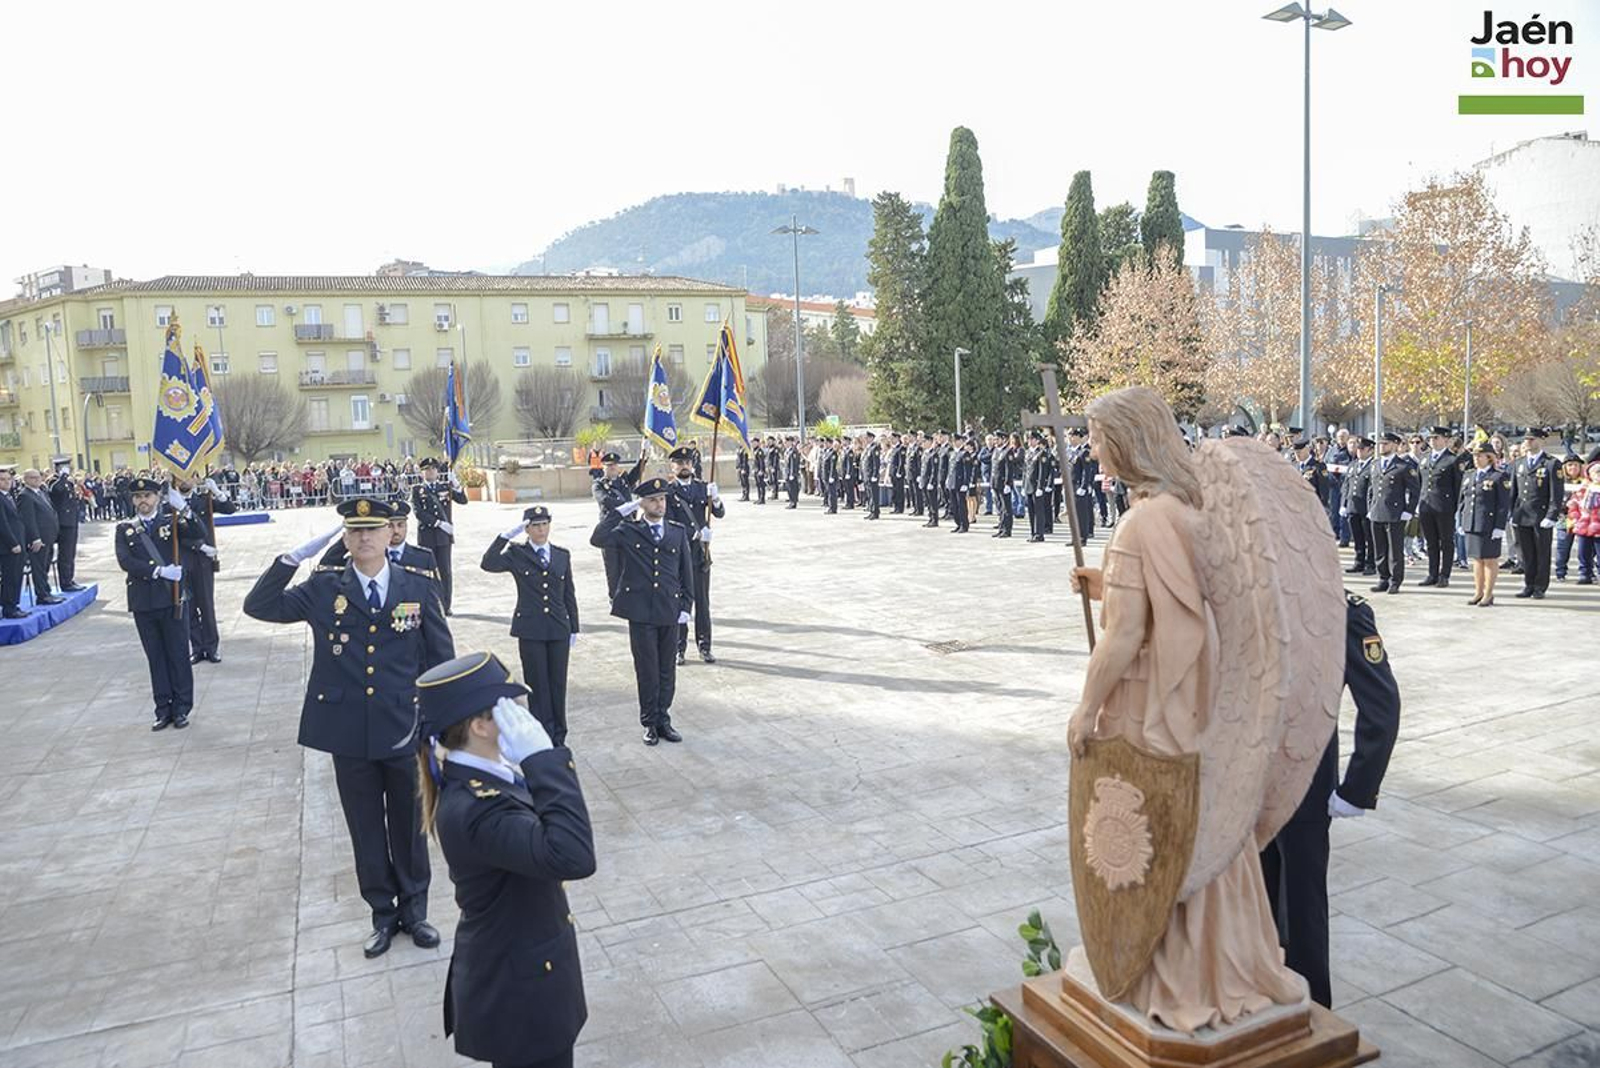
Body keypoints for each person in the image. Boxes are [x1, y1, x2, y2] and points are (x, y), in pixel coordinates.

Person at [1066, 387, 1306, 1030]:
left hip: (1146, 702)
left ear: (1127, 442)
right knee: (1205, 830)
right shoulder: (1180, 510)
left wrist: (1086, 707)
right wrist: (1106, 585)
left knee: (1161, 831)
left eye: (1096, 438)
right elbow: (1180, 602)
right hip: (1187, 701)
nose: (1091, 450)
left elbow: (1124, 636)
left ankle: (1167, 973)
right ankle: (1233, 958)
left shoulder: (1141, 522)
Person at [243, 496, 455, 957]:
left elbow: (440, 659)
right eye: (355, 531)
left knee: (410, 824)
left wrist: (442, 724)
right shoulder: (323, 590)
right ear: (345, 538)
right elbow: (258, 606)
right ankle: (382, 914)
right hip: (348, 732)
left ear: (389, 535)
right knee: (365, 828)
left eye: (373, 530)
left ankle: (415, 911)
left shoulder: (417, 587)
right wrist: (290, 560)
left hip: (403, 727)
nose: (364, 538)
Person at [416, 652, 596, 1068]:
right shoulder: (480, 808)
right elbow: (573, 855)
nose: (521, 716)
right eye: (508, 707)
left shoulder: (483, 779)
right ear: (480, 726)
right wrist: (543, 761)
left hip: (523, 973)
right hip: (522, 995)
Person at [1260, 592, 1400, 1009]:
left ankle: (1313, 1016)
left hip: (1305, 781)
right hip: (1250, 784)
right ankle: (1265, 999)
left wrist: (1357, 788)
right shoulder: (1258, 593)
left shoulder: (1341, 609)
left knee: (1302, 914)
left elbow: (1382, 704)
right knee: (1257, 906)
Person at [590, 478, 695, 746]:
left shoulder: (677, 531)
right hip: (640, 612)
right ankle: (649, 722)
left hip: (669, 610)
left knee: (667, 670)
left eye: (662, 499)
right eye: (652, 500)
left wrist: (686, 606)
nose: (659, 504)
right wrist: (623, 510)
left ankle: (664, 719)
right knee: (646, 669)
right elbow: (597, 538)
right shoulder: (629, 529)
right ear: (642, 503)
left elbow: (686, 573)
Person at [481, 506, 580, 746]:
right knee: (537, 685)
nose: (541, 529)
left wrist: (574, 626)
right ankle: (542, 734)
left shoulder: (561, 554)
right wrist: (505, 536)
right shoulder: (517, 554)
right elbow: (488, 563)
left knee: (558, 683)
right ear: (526, 528)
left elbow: (569, 594)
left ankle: (559, 735)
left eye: (545, 524)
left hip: (558, 627)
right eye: (535, 525)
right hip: (531, 628)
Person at [115, 477, 206, 729]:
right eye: (138, 497)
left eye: (148, 496)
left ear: (157, 498)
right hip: (143, 603)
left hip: (172, 599)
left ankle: (181, 708)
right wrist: (158, 571)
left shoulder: (173, 521)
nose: (143, 501)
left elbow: (200, 532)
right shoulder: (125, 528)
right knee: (155, 657)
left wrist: (184, 508)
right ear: (133, 500)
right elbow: (125, 561)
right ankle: (162, 708)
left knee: (178, 655)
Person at [665, 447, 723, 664]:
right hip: (679, 557)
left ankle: (704, 646)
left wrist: (715, 499)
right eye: (679, 463)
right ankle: (679, 648)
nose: (684, 466)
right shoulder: (669, 493)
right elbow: (669, 523)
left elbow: (719, 513)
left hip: (700, 555)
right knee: (680, 604)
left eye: (687, 462)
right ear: (672, 467)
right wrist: (696, 533)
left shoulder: (702, 488)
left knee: (703, 603)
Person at [178, 474, 237, 664]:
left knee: (206, 605)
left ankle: (211, 647)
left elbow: (230, 509)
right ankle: (196, 647)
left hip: (204, 562)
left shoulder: (204, 501)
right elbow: (175, 536)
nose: (184, 481)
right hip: (183, 559)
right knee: (189, 606)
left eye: (188, 477)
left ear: (196, 480)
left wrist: (218, 492)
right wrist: (199, 545)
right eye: (179, 477)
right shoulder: (170, 504)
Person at [1510, 428, 1564, 599]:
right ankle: (1529, 584)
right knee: (1526, 554)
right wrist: (1512, 513)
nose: (1528, 442)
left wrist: (1551, 515)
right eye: (1526, 439)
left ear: (1542, 441)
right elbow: (1514, 491)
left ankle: (1540, 586)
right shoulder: (1518, 463)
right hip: (1522, 514)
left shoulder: (1551, 463)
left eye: (1532, 439)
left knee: (1541, 553)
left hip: (1541, 516)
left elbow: (1556, 493)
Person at [413, 457, 469, 614]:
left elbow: (463, 500)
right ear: (422, 472)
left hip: (443, 537)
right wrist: (438, 523)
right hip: (427, 536)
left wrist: (456, 484)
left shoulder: (445, 487)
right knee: (427, 571)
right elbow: (418, 512)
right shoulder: (417, 490)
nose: (430, 472)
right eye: (426, 470)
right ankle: (430, 605)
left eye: (433, 469)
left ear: (437, 471)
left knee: (445, 571)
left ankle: (446, 605)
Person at [1459, 442, 1513, 606]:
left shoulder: (1498, 476)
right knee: (1476, 559)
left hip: (1489, 524)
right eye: (1474, 456)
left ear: (1489, 458)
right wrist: (1462, 520)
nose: (1476, 459)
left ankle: (1488, 594)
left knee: (1489, 559)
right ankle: (1478, 592)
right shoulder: (1469, 475)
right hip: (1472, 522)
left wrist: (1499, 526)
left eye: (1480, 456)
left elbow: (1503, 504)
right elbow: (1463, 500)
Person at [1417, 426, 1471, 588]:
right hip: (1426, 506)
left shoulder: (1453, 460)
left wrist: (1456, 509)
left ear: (1446, 440)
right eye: (1431, 438)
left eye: (1436, 438)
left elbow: (1458, 487)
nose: (1432, 441)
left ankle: (1444, 575)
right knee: (1431, 543)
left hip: (1444, 507)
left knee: (1446, 542)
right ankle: (1432, 574)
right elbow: (1420, 483)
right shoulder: (1424, 458)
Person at [1367, 432, 1419, 595]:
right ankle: (1383, 578)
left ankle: (1395, 580)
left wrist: (1408, 511)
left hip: (1395, 513)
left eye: (1386, 443)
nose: (1382, 446)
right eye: (1381, 443)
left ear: (1395, 445)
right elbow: (1371, 488)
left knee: (1395, 550)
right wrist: (1370, 507)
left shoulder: (1403, 466)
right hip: (1377, 511)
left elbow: (1415, 490)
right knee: (1380, 547)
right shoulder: (1375, 464)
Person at [591, 450, 647, 599]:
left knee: (629, 564)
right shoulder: (599, 485)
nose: (612, 468)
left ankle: (629, 594)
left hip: (628, 528)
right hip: (610, 530)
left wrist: (642, 457)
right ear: (603, 468)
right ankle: (615, 597)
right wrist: (628, 505)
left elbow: (637, 473)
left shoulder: (623, 481)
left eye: (614, 465)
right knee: (613, 567)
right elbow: (605, 501)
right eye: (609, 466)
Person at [17, 469, 63, 605]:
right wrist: (35, 538)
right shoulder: (25, 495)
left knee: (45, 566)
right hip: (39, 539)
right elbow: (28, 519)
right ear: (25, 480)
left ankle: (46, 592)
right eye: (32, 478)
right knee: (39, 568)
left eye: (38, 477)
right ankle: (42, 595)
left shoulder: (41, 492)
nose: (37, 480)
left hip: (49, 536)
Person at [47, 459, 88, 593]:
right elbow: (55, 491)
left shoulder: (68, 482)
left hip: (71, 521)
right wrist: (62, 476)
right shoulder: (54, 481)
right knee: (64, 554)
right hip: (62, 522)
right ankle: (65, 582)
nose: (69, 469)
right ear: (59, 468)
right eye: (66, 467)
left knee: (70, 553)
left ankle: (69, 579)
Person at [0, 466, 29, 618]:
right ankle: (9, 608)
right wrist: (13, 543)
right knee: (10, 578)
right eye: (2, 480)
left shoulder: (8, 496)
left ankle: (14, 605)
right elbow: (2, 524)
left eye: (8, 479)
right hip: (9, 547)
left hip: (19, 542)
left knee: (16, 576)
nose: (6, 482)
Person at [1554, 453, 1586, 582]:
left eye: (1576, 465)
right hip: (1565, 518)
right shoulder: (1559, 481)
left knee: (1584, 548)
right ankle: (1560, 571)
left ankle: (1585, 571)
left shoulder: (1586, 482)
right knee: (1563, 547)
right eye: (1570, 465)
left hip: (1583, 520)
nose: (1573, 468)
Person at [862, 432, 882, 520]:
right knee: (870, 494)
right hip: (867, 474)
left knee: (874, 494)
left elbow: (876, 463)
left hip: (871, 475)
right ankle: (871, 510)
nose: (865, 439)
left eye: (867, 437)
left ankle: (875, 512)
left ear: (871, 438)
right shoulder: (868, 448)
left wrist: (875, 474)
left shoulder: (875, 448)